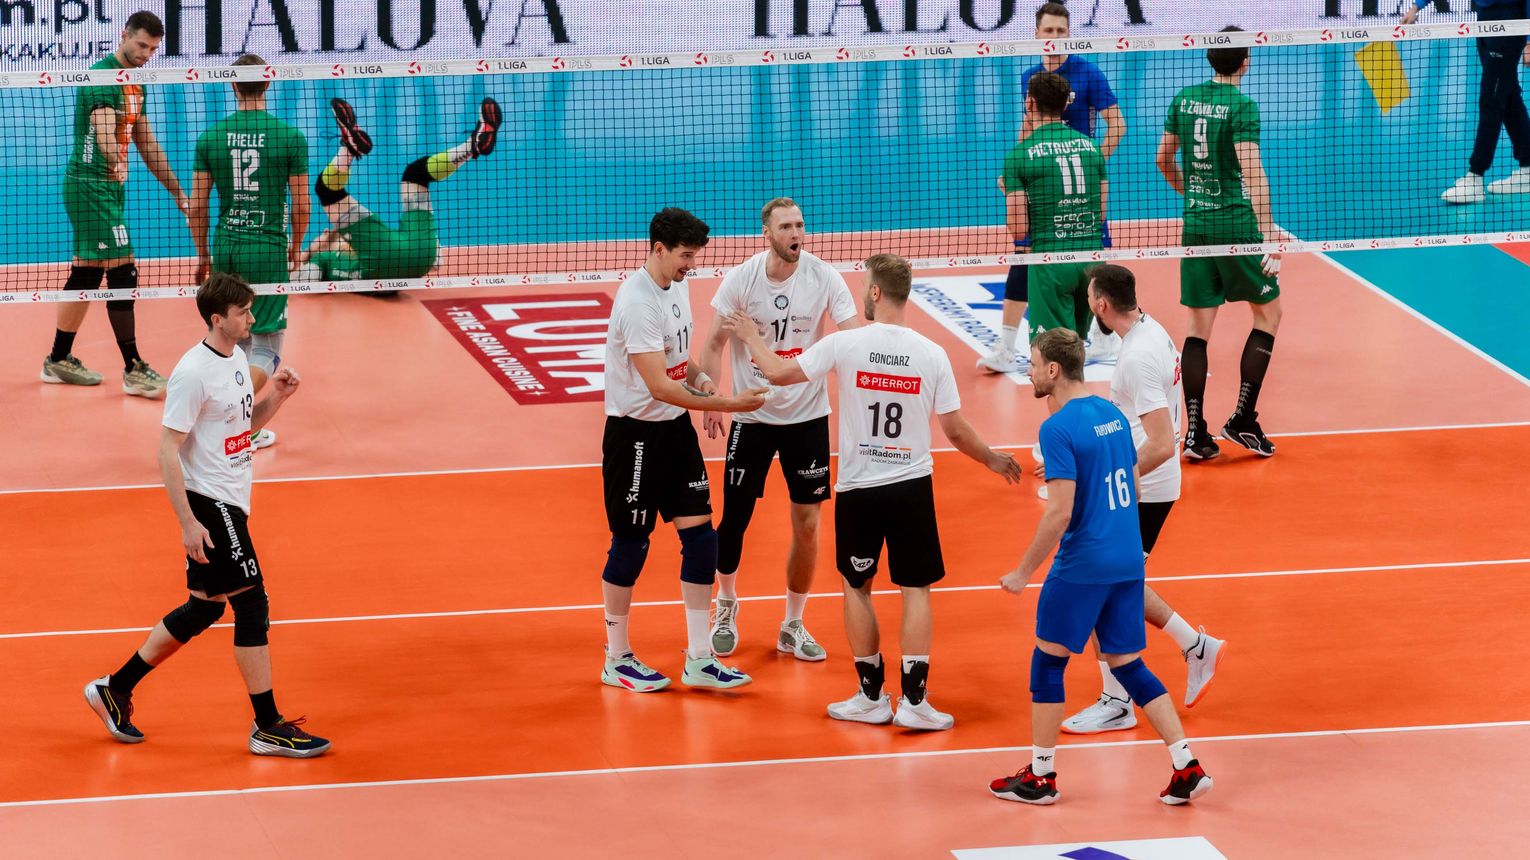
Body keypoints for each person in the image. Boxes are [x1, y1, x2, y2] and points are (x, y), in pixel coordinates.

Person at [726, 254, 1021, 731]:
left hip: (860, 490)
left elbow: (777, 374)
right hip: (911, 487)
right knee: (916, 590)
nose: (862, 293)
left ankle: (870, 698)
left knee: (857, 588)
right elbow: (955, 430)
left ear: (877, 292)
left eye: (866, 286)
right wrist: (990, 458)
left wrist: (751, 337)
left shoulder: (845, 344)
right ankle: (915, 703)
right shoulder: (931, 353)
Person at [83, 273, 330, 758]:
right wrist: (187, 522)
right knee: (252, 605)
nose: (252, 319)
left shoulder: (235, 359)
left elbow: (241, 430)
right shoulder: (192, 373)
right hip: (208, 502)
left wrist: (277, 397)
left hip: (232, 497)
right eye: (243, 313)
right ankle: (268, 726)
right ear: (218, 319)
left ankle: (114, 687)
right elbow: (166, 450)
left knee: (205, 607)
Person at [990, 328, 1211, 806]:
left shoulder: (1056, 429)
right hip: (1127, 559)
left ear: (1053, 370)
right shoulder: (1111, 414)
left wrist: (1022, 572)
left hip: (1083, 564)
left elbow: (1060, 512)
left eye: (1033, 363)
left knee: (1048, 663)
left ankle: (1041, 777)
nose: (1028, 370)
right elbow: (1131, 478)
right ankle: (1186, 764)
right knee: (1128, 664)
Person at [1050, 265, 1225, 735]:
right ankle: (1196, 647)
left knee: (1095, 585)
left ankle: (1117, 701)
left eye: (1090, 297)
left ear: (1101, 304)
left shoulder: (1137, 357)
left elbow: (1162, 443)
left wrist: (1109, 479)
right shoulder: (1149, 331)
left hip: (1144, 490)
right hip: (1144, 486)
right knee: (1117, 584)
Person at [599, 208, 769, 693]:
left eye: (694, 256)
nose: (692, 265)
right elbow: (657, 384)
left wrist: (704, 379)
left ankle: (699, 659)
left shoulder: (674, 288)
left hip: (675, 431)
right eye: (686, 256)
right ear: (659, 249)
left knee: (702, 540)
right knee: (631, 545)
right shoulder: (637, 302)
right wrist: (727, 402)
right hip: (635, 437)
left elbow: (676, 360)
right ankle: (616, 658)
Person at [694, 198, 860, 663]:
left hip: (807, 418)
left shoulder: (824, 277)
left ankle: (792, 623)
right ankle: (726, 605)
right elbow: (713, 344)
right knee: (735, 519)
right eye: (786, 226)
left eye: (800, 225)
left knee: (808, 525)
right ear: (767, 233)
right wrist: (714, 398)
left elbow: (852, 336)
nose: (797, 234)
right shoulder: (742, 280)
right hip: (752, 416)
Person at [1155, 26, 1282, 459]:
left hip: (1196, 224)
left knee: (1197, 330)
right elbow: (1253, 172)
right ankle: (1242, 418)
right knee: (1268, 314)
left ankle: (1194, 433)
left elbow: (1162, 159)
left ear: (1210, 57)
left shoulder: (1183, 99)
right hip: (1236, 225)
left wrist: (1191, 195)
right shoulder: (1242, 107)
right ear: (1246, 62)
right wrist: (1269, 236)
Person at [43, 11, 187, 396]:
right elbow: (105, 132)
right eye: (141, 45)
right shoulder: (103, 77)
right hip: (89, 186)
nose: (146, 54)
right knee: (123, 269)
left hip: (108, 188)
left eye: (153, 49)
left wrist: (177, 192)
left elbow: (147, 143)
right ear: (124, 35)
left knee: (88, 273)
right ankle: (133, 367)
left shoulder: (135, 84)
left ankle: (57, 358)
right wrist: (116, 160)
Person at [979, 2, 1125, 375]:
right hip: (1043, 186)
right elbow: (1028, 126)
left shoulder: (1088, 73)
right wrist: (1015, 167)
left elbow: (1117, 125)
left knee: (1094, 264)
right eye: (1049, 31)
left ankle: (1104, 335)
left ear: (1069, 33)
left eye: (1061, 31)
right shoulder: (1031, 77)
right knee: (1023, 256)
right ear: (1037, 33)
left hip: (1078, 189)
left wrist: (1090, 163)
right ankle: (1006, 347)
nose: (1055, 37)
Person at [189, 53, 309, 450]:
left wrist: (203, 255)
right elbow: (301, 206)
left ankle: (232, 421)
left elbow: (197, 207)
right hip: (267, 248)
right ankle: (234, 420)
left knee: (233, 338)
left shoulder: (210, 138)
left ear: (233, 85)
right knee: (268, 345)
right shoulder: (290, 137)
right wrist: (296, 246)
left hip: (226, 245)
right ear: (268, 82)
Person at [298, 96, 502, 295]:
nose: (325, 231)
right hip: (385, 257)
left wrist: (312, 249)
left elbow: (436, 261)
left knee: (416, 175)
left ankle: (472, 145)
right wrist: (311, 253)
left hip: (421, 259)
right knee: (327, 191)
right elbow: (304, 279)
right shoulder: (325, 259)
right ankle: (471, 147)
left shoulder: (341, 254)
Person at [998, 73, 1108, 363]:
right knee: (1075, 352)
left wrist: (1014, 193)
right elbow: (1100, 214)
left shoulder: (1020, 156)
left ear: (1029, 103)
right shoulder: (1092, 148)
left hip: (1050, 263)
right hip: (1091, 262)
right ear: (1065, 104)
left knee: (1052, 359)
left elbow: (1019, 229)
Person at [1404, 0, 1530, 203]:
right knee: (1508, 96)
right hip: (1484, 23)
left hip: (1510, 23)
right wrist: (1416, 6)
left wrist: (1529, 40)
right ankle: (1528, 169)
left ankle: (1475, 177)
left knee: (1491, 101)